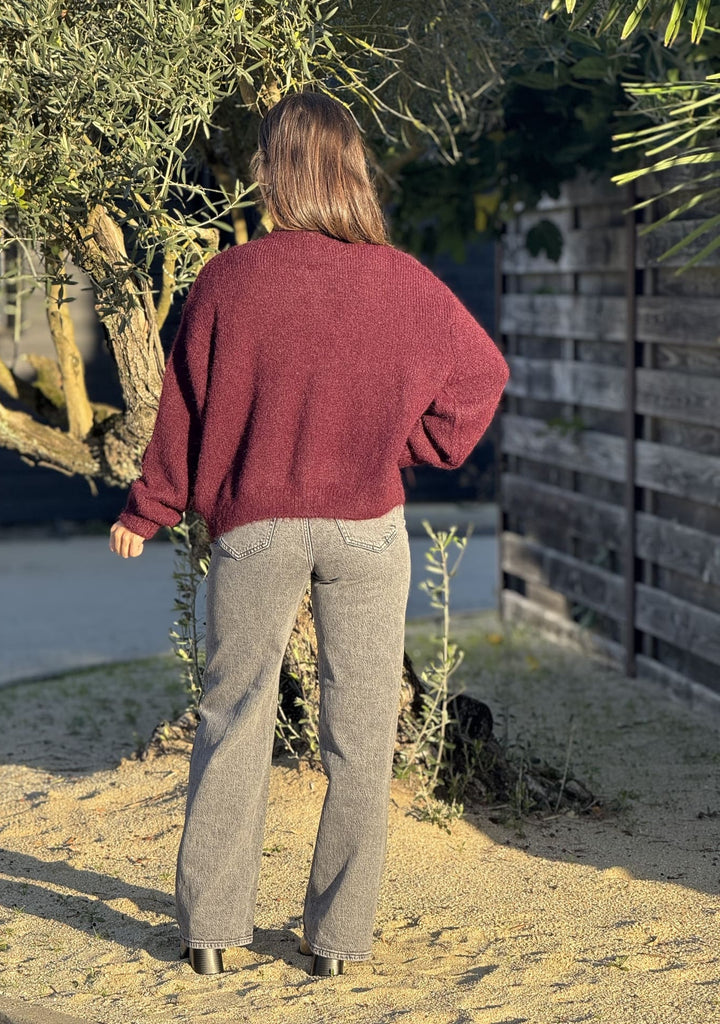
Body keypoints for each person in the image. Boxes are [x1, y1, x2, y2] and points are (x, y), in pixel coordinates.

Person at [109, 91, 509, 978]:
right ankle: (335, 945)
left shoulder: (227, 280)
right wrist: (407, 446)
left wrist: (149, 507)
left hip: (257, 529)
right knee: (361, 737)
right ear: (351, 169)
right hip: (368, 529)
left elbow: (183, 412)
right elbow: (483, 376)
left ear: (272, 171)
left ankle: (211, 934)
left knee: (233, 720)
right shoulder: (405, 281)